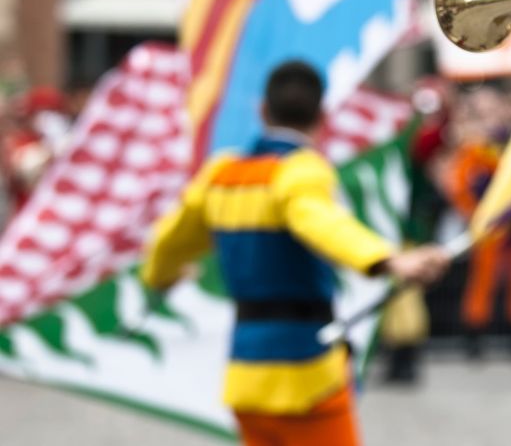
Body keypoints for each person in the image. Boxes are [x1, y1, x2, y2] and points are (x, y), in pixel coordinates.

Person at [140, 61, 451, 446]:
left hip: (246, 375)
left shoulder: (219, 175)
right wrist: (389, 259)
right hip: (306, 375)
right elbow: (319, 221)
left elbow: (166, 242)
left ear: (263, 111)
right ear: (323, 116)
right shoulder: (302, 171)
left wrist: (161, 276)